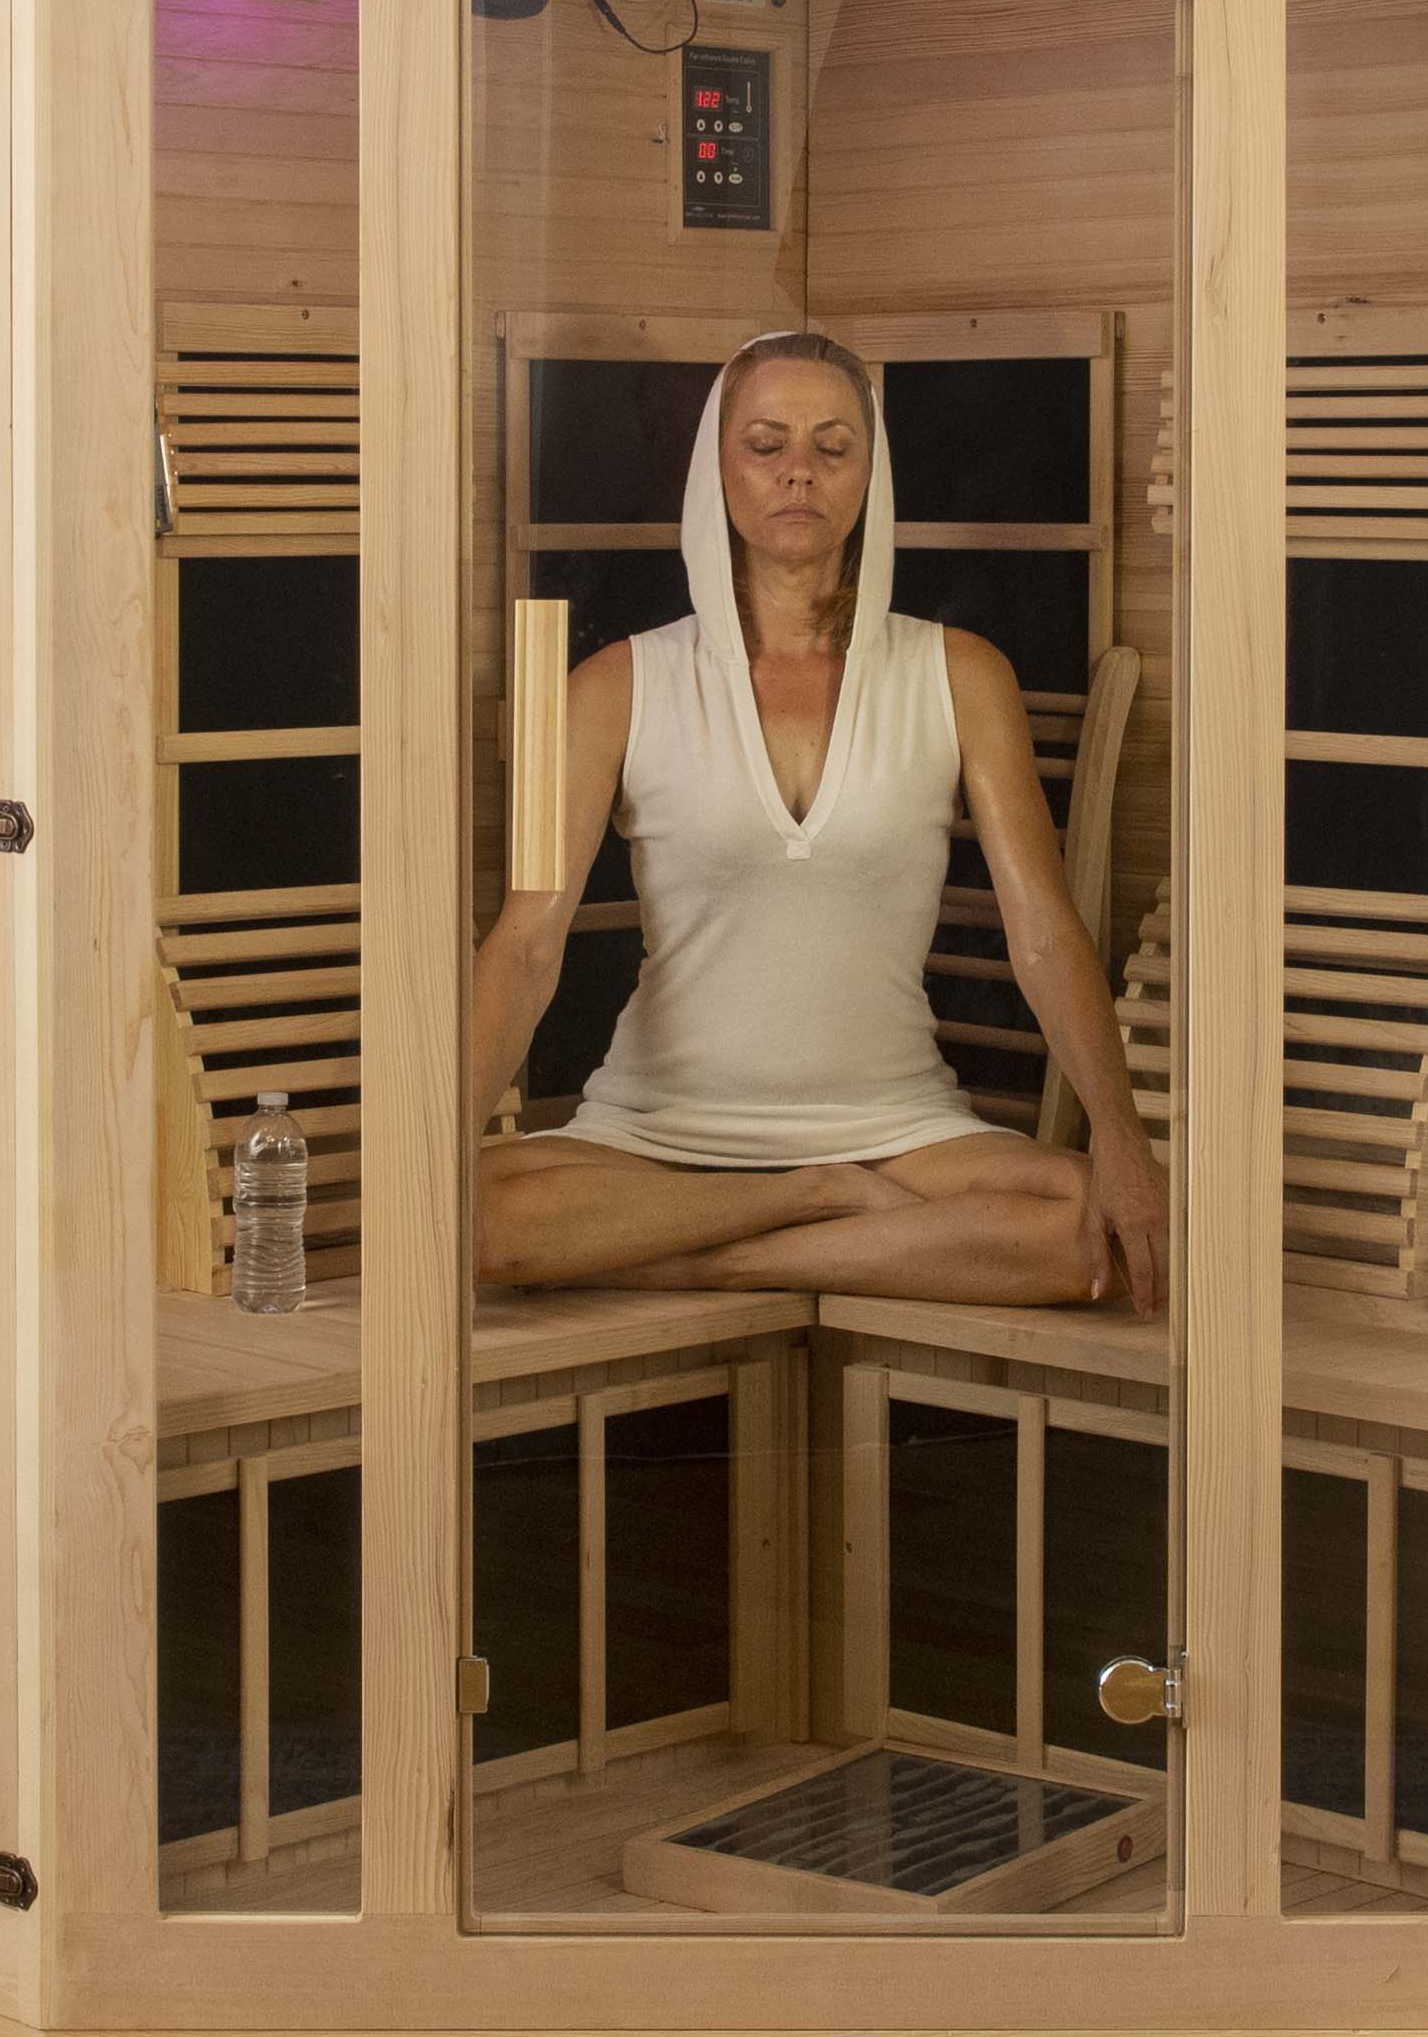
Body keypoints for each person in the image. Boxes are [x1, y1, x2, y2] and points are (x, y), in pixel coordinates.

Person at [466, 329, 1168, 1312]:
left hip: (900, 1133)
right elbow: (527, 942)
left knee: (1082, 1225)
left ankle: (732, 1256)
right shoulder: (606, 686)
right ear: (717, 468)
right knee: (481, 1212)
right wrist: (430, 1163)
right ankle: (819, 1202)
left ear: (870, 474)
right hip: (655, 1139)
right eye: (767, 444)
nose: (800, 470)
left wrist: (1124, 1143)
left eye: (833, 447)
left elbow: (1044, 932)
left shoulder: (964, 674)